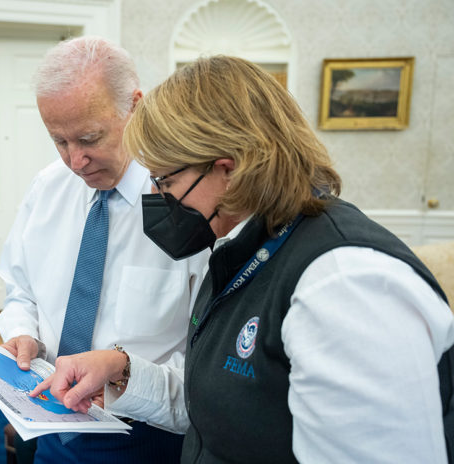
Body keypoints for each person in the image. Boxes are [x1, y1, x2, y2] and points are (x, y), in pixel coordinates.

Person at [31, 55, 454, 463]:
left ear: (229, 170)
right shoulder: (243, 247)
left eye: (166, 180)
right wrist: (122, 369)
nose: (159, 199)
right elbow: (222, 399)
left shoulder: (346, 286)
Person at [0, 36, 208, 464]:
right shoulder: (47, 187)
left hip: (150, 435)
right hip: (49, 421)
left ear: (136, 106)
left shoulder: (193, 202)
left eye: (90, 138)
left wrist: (126, 382)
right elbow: (20, 291)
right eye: (59, 141)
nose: (76, 162)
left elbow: (207, 366)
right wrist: (22, 332)